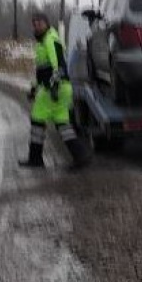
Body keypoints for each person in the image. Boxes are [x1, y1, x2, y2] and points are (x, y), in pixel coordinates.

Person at [20, 12, 90, 169]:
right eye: (34, 23)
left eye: (40, 23)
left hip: (55, 89)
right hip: (59, 88)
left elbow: (58, 65)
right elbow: (42, 72)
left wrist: (54, 86)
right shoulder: (43, 42)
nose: (36, 26)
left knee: (38, 118)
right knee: (62, 123)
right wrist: (34, 88)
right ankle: (81, 155)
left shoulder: (51, 39)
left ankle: (36, 159)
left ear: (47, 23)